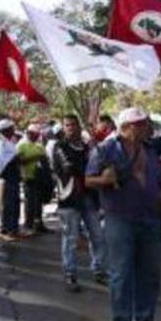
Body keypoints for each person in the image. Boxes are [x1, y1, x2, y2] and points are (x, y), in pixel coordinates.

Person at [86, 107, 161, 321]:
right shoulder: (105, 150)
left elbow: (156, 188)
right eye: (140, 123)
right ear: (126, 127)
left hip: (149, 218)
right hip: (119, 218)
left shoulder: (150, 150)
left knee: (150, 272)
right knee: (122, 273)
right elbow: (88, 179)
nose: (146, 127)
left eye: (146, 122)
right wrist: (104, 180)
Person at [52, 114, 107, 292]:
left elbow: (99, 166)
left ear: (78, 126)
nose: (70, 128)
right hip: (70, 198)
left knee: (97, 235)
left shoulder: (86, 146)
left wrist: (94, 150)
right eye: (67, 125)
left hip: (89, 197)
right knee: (70, 238)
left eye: (73, 125)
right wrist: (88, 159)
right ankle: (70, 272)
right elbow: (68, 167)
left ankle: (98, 269)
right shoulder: (60, 146)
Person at [0, 119, 21, 241]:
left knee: (13, 203)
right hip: (7, 177)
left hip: (12, 176)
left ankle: (11, 227)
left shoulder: (8, 142)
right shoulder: (2, 144)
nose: (13, 130)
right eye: (11, 128)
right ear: (5, 130)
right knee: (9, 204)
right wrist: (17, 158)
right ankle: (8, 228)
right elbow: (3, 162)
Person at [18, 124, 50, 235]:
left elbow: (45, 159)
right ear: (28, 134)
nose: (36, 136)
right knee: (29, 202)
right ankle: (28, 224)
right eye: (33, 134)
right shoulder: (22, 145)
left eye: (37, 135)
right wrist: (34, 158)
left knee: (38, 202)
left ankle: (39, 224)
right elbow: (19, 161)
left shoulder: (39, 146)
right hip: (28, 177)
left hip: (39, 177)